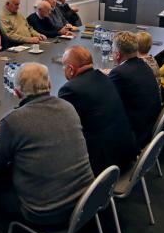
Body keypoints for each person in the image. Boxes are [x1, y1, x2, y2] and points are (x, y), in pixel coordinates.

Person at [0, 63, 94, 227]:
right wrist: (3, 129)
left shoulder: (13, 121)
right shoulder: (68, 108)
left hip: (45, 214)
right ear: (50, 85)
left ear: (17, 93)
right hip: (86, 201)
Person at [58, 46, 137, 174]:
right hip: (127, 153)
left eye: (63, 66)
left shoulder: (70, 90)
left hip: (103, 166)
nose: (63, 69)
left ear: (71, 69)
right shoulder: (104, 77)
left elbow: (63, 130)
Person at [108, 31, 161, 149]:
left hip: (135, 133)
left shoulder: (119, 73)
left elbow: (105, 99)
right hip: (149, 124)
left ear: (117, 55)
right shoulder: (144, 65)